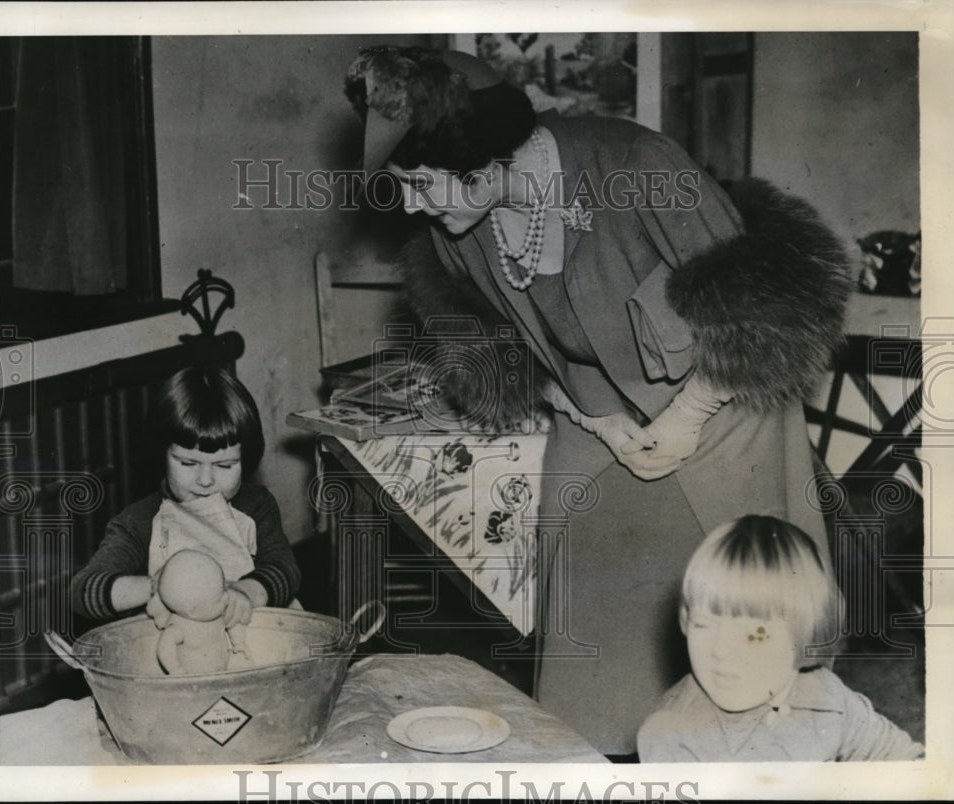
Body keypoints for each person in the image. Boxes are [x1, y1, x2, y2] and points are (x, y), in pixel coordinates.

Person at [344, 46, 851, 754]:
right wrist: (591, 418)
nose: (413, 205)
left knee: (744, 622)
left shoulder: (636, 167)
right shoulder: (455, 235)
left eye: (423, 183)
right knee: (588, 626)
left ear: (483, 157)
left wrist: (684, 420)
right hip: (599, 417)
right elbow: (508, 357)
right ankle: (603, 757)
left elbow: (762, 316)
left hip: (723, 404)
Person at [637, 515, 924, 761]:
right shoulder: (673, 738)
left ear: (806, 633)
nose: (721, 650)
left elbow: (906, 761)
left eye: (752, 634)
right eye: (703, 625)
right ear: (685, 621)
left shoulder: (827, 695)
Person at [71, 367, 301, 626]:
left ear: (245, 460)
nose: (205, 481)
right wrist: (156, 586)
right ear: (162, 455)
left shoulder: (256, 505)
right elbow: (83, 590)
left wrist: (243, 592)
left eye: (224, 466)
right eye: (188, 464)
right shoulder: (139, 521)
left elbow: (285, 570)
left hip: (255, 633)